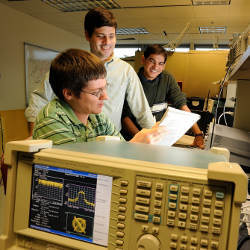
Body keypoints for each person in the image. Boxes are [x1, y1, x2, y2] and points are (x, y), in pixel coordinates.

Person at [25, 7, 154, 136]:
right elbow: (39, 100)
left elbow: (142, 110)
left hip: (111, 138)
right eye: (100, 36)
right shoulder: (73, 67)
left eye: (111, 36)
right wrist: (33, 138)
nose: (107, 42)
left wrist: (157, 137)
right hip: (77, 137)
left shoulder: (125, 71)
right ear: (88, 35)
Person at [33, 49, 166, 145]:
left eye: (105, 87)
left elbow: (120, 149)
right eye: (96, 92)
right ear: (69, 94)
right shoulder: (52, 120)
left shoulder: (97, 118)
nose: (105, 97)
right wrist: (136, 144)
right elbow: (79, 173)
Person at [121, 44, 205, 149]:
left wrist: (198, 134)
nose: (156, 67)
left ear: (164, 65)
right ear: (143, 60)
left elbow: (182, 106)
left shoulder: (167, 79)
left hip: (158, 141)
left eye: (160, 63)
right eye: (152, 61)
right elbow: (125, 118)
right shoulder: (132, 81)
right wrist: (141, 140)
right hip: (134, 140)